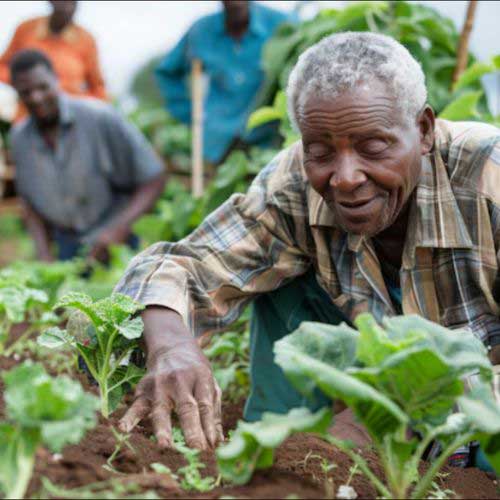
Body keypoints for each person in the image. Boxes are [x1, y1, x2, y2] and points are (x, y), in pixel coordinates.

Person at [115, 32, 500, 453]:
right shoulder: (296, 181)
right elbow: (186, 263)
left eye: (373, 147)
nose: (346, 177)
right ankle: (282, 452)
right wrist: (171, 345)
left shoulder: (488, 176)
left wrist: (392, 411)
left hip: (481, 400)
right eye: (321, 152)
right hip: (367, 373)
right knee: (279, 281)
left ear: (423, 131)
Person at [9, 49, 166, 262]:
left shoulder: (100, 117)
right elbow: (29, 201)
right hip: (67, 245)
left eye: (42, 87)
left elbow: (154, 177)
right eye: (25, 92)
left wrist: (117, 230)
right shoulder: (19, 138)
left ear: (56, 80)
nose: (36, 98)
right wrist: (44, 252)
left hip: (119, 244)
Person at [156, 0, 292, 165]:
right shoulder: (201, 31)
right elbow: (167, 73)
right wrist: (190, 115)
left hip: (267, 140)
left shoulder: (282, 24)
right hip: (218, 143)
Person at [0, 0, 107, 120]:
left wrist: (81, 105)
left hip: (70, 119)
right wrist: (24, 83)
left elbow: (98, 88)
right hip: (28, 114)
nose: (66, 6)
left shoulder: (86, 40)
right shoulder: (26, 30)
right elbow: (2, 66)